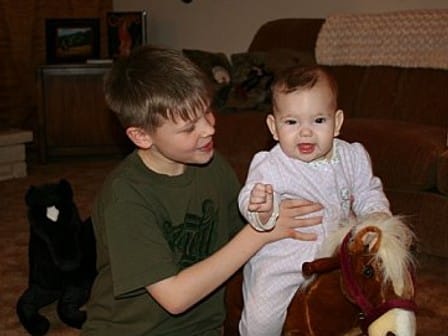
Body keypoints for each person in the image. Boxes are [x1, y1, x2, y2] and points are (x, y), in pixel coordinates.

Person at [80, 45, 323, 336]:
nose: (208, 129)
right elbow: (175, 297)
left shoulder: (213, 168)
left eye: (207, 112)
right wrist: (261, 232)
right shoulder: (125, 197)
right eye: (188, 128)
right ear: (142, 135)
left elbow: (239, 246)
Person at [238, 65, 392, 336]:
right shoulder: (271, 164)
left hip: (339, 254)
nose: (306, 132)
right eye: (292, 122)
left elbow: (368, 191)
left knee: (378, 293)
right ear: (274, 127)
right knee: (262, 318)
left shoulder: (353, 156)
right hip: (286, 258)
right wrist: (260, 207)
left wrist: (376, 215)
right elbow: (250, 196)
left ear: (338, 122)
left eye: (318, 121)